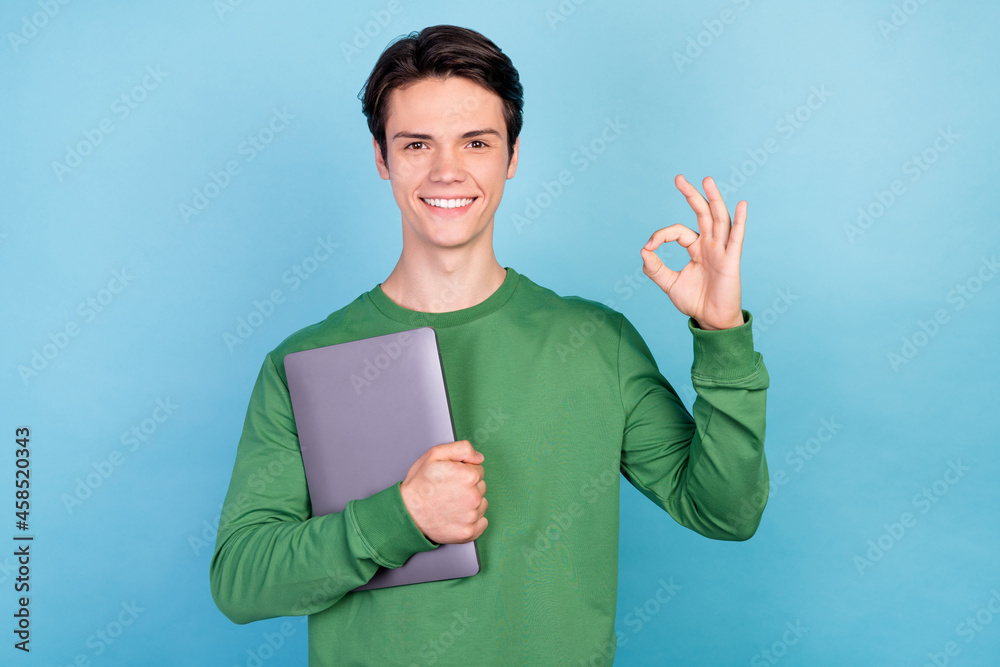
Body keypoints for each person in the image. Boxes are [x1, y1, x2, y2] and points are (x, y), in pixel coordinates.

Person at [210, 24, 769, 666]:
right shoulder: (302, 363)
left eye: (476, 142)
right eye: (416, 143)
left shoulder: (595, 341)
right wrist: (399, 517)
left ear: (512, 155)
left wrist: (723, 338)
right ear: (380, 157)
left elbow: (726, 511)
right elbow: (239, 582)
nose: (447, 170)